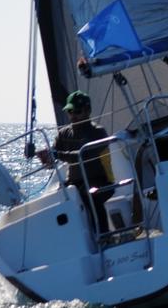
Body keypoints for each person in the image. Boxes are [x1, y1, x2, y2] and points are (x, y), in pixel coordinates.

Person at [38, 91, 113, 233]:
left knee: (91, 196)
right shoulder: (63, 133)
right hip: (74, 182)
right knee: (57, 199)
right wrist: (46, 157)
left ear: (88, 111)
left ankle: (104, 235)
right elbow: (54, 158)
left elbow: (82, 155)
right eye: (69, 111)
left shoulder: (98, 132)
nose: (73, 116)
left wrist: (56, 154)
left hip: (100, 180)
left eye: (77, 111)